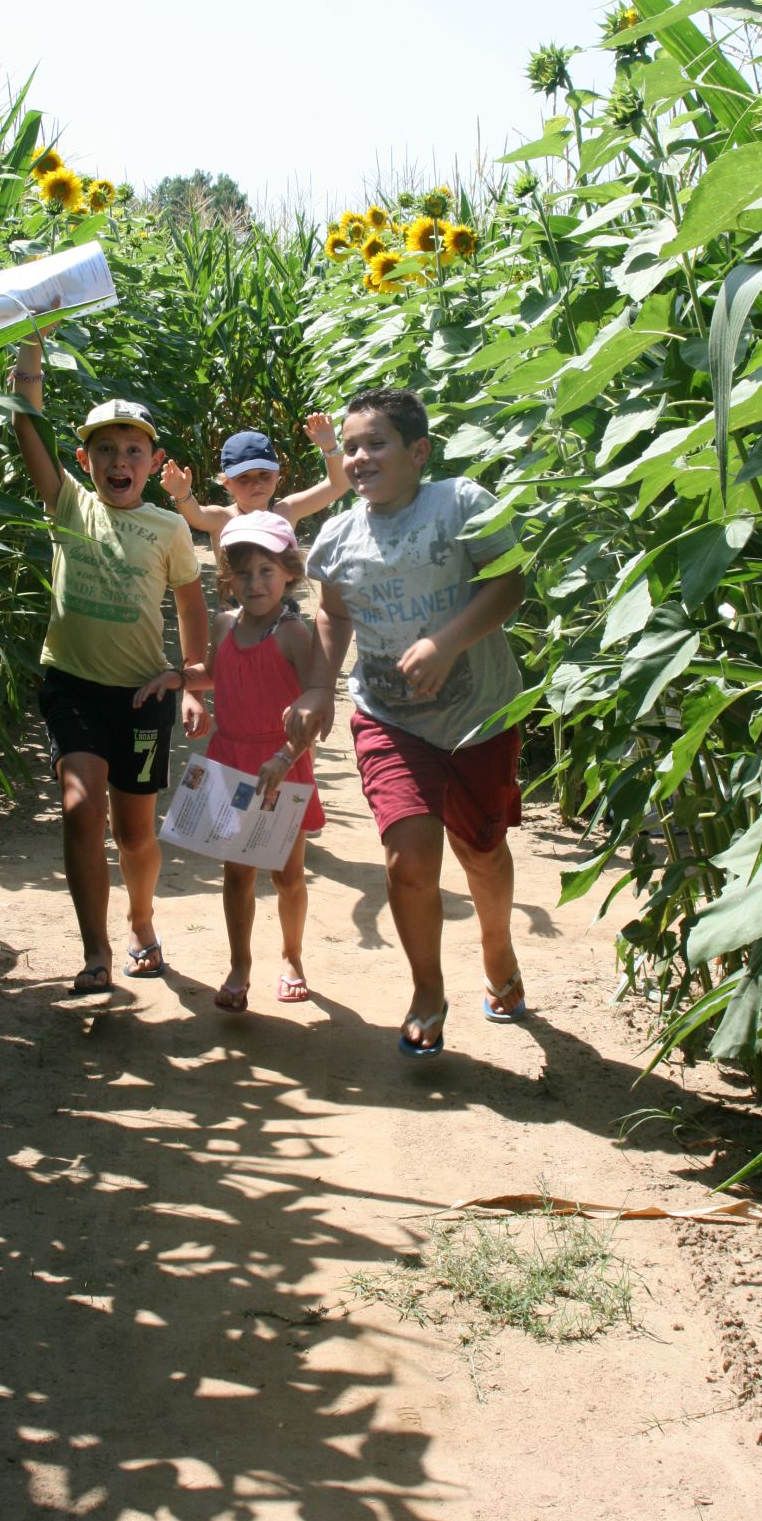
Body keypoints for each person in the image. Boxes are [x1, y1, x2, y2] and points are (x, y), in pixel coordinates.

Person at [284, 386, 527, 1057]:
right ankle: (427, 989)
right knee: (407, 859)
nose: (359, 457)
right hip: (389, 717)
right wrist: (317, 687)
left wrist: (448, 642)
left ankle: (497, 948)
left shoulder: (460, 504)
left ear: (418, 452)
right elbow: (331, 613)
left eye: (376, 443)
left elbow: (509, 583)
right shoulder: (337, 537)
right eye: (352, 446)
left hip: (480, 714)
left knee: (481, 850)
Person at [9, 336, 209, 995]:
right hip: (73, 688)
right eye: (104, 449)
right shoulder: (69, 504)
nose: (118, 461)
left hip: (140, 697)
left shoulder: (168, 529)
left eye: (133, 450)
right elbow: (24, 424)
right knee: (78, 805)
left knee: (135, 835)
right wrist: (29, 360)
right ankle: (95, 953)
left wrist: (190, 675)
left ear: (153, 461)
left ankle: (142, 922)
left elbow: (189, 601)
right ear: (83, 458)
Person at [135, 512, 324, 1013]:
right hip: (231, 760)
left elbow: (314, 708)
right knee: (237, 873)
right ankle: (240, 966)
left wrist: (286, 756)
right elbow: (214, 673)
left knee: (287, 875)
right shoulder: (225, 624)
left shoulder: (293, 634)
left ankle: (292, 957)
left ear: (288, 573)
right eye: (244, 573)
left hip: (282, 766)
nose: (255, 583)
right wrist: (177, 680)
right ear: (229, 580)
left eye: (267, 571)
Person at [159, 416, 351, 575]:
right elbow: (196, 515)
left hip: (282, 610)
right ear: (227, 483)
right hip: (237, 612)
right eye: (244, 478)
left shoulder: (287, 510)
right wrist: (183, 494)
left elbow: (338, 485)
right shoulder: (223, 518)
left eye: (264, 475)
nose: (256, 483)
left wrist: (330, 448)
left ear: (277, 476)